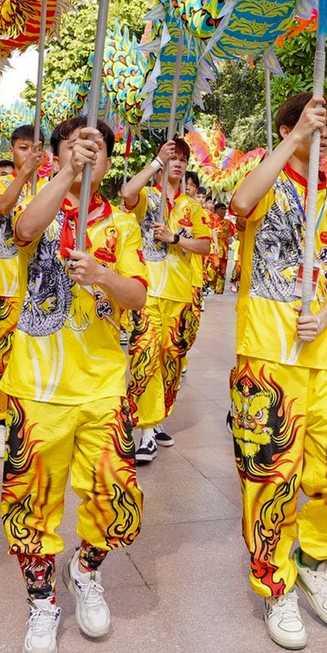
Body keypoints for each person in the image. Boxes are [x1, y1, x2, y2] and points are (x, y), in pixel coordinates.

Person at [2, 116, 148, 653]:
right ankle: (42, 601)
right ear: (58, 155)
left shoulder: (121, 227)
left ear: (109, 162)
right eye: (74, 146)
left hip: (103, 385)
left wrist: (103, 276)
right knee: (29, 503)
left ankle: (85, 569)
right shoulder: (40, 204)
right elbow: (22, 231)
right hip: (37, 386)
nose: (88, 155)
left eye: (96, 149)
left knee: (117, 497)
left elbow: (135, 295)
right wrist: (65, 173)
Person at [227, 93, 327, 652]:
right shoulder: (269, 183)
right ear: (289, 125)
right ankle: (277, 585)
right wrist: (291, 139)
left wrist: (325, 316)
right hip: (266, 353)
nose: (326, 131)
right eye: (315, 122)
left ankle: (312, 559)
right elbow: (239, 202)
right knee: (270, 478)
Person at [119, 137, 213, 462]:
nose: (177, 163)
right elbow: (127, 195)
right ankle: (145, 432)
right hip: (148, 293)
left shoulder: (192, 207)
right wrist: (156, 162)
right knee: (145, 356)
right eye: (172, 158)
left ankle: (157, 419)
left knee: (170, 362)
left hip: (180, 294)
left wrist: (176, 238)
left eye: (181, 159)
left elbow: (205, 245)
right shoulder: (148, 197)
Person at [0, 127, 45, 461]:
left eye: (35, 148)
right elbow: (2, 205)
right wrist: (25, 173)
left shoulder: (50, 188)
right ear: (12, 151)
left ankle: (28, 421)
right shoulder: (1, 182)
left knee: (34, 360)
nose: (28, 153)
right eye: (21, 147)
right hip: (0, 289)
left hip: (38, 291)